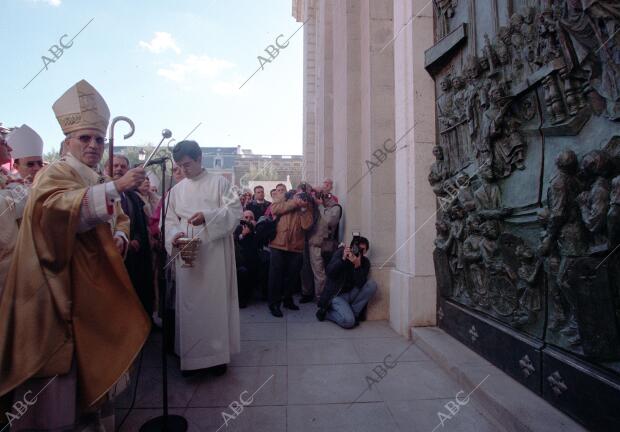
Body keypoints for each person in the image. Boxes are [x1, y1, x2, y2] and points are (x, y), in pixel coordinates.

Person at [0, 79, 150, 431]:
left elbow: (120, 217)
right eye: (85, 138)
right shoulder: (56, 172)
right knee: (65, 385)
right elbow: (53, 214)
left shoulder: (92, 175)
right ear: (66, 142)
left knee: (96, 380)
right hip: (60, 288)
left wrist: (119, 237)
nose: (94, 145)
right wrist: (116, 186)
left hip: (95, 288)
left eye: (99, 139)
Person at [165, 140, 242, 375]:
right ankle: (191, 358)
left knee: (214, 306)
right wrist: (174, 235)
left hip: (214, 253)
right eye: (179, 166)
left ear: (199, 158)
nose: (184, 170)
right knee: (189, 307)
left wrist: (207, 217)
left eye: (187, 164)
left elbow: (234, 211)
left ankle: (217, 358)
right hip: (188, 254)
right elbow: (168, 220)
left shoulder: (220, 183)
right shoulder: (177, 190)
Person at [0, 124, 44, 293]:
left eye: (40, 163)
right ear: (16, 167)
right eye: (3, 142)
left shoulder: (11, 181)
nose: (38, 168)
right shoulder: (15, 186)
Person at [113, 154, 155, 316]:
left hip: (132, 257)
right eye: (115, 165)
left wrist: (136, 238)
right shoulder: (100, 188)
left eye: (123, 167)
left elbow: (137, 223)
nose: (118, 169)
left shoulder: (131, 196)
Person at [267, 182, 314, 317]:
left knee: (292, 276)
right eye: (299, 194)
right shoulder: (285, 198)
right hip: (278, 244)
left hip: (296, 246)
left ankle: (288, 300)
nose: (300, 196)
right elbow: (274, 210)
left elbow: (307, 226)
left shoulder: (306, 205)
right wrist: (294, 203)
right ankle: (274, 304)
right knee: (275, 277)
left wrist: (304, 209)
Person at [316, 236, 377, 329]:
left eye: (362, 250)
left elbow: (360, 284)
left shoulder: (365, 262)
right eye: (357, 249)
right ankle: (327, 313)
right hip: (337, 295)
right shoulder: (341, 253)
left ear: (366, 251)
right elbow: (329, 272)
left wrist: (357, 266)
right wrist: (343, 259)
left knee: (372, 285)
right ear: (351, 247)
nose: (359, 251)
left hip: (352, 294)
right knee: (349, 322)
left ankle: (353, 313)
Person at [302, 190, 342, 302]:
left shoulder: (335, 208)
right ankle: (309, 293)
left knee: (321, 274)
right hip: (313, 243)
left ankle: (321, 297)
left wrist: (320, 205)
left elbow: (330, 221)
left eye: (322, 195)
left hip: (326, 245)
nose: (320, 198)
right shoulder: (315, 207)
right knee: (309, 271)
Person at [234, 210, 260, 308]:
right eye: (246, 217)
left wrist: (254, 230)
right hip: (240, 261)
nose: (248, 220)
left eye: (251, 218)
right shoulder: (237, 229)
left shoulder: (256, 229)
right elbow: (235, 241)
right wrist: (243, 234)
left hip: (253, 260)